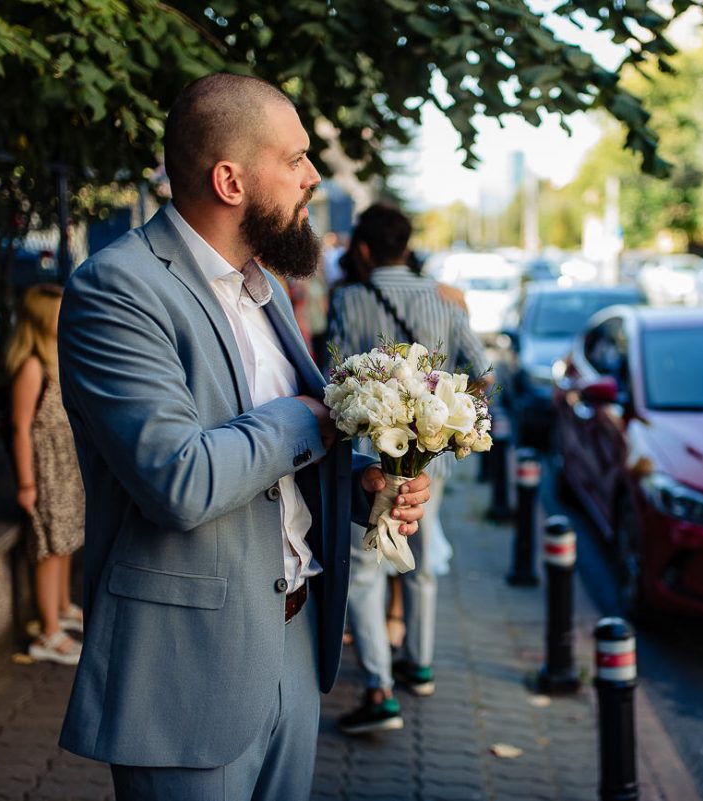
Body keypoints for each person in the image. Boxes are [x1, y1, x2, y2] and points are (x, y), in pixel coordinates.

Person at [55, 73, 431, 801]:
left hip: (292, 635)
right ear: (230, 179)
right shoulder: (116, 289)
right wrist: (310, 415)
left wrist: (362, 491)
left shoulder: (264, 286)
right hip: (186, 666)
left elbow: (277, 474)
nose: (312, 176)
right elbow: (179, 479)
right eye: (294, 159)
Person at [325, 203, 486, 735]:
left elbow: (342, 375)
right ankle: (418, 664)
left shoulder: (349, 297)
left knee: (367, 567)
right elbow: (479, 369)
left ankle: (379, 690)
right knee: (420, 554)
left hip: (370, 456)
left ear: (365, 249)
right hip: (429, 458)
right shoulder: (443, 297)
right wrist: (451, 429)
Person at [5, 282, 85, 666]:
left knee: (66, 540)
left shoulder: (56, 356)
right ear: (40, 320)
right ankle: (48, 632)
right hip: (45, 472)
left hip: (65, 468)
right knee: (50, 547)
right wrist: (26, 483)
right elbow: (21, 426)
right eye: (58, 313)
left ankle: (63, 605)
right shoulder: (32, 367)